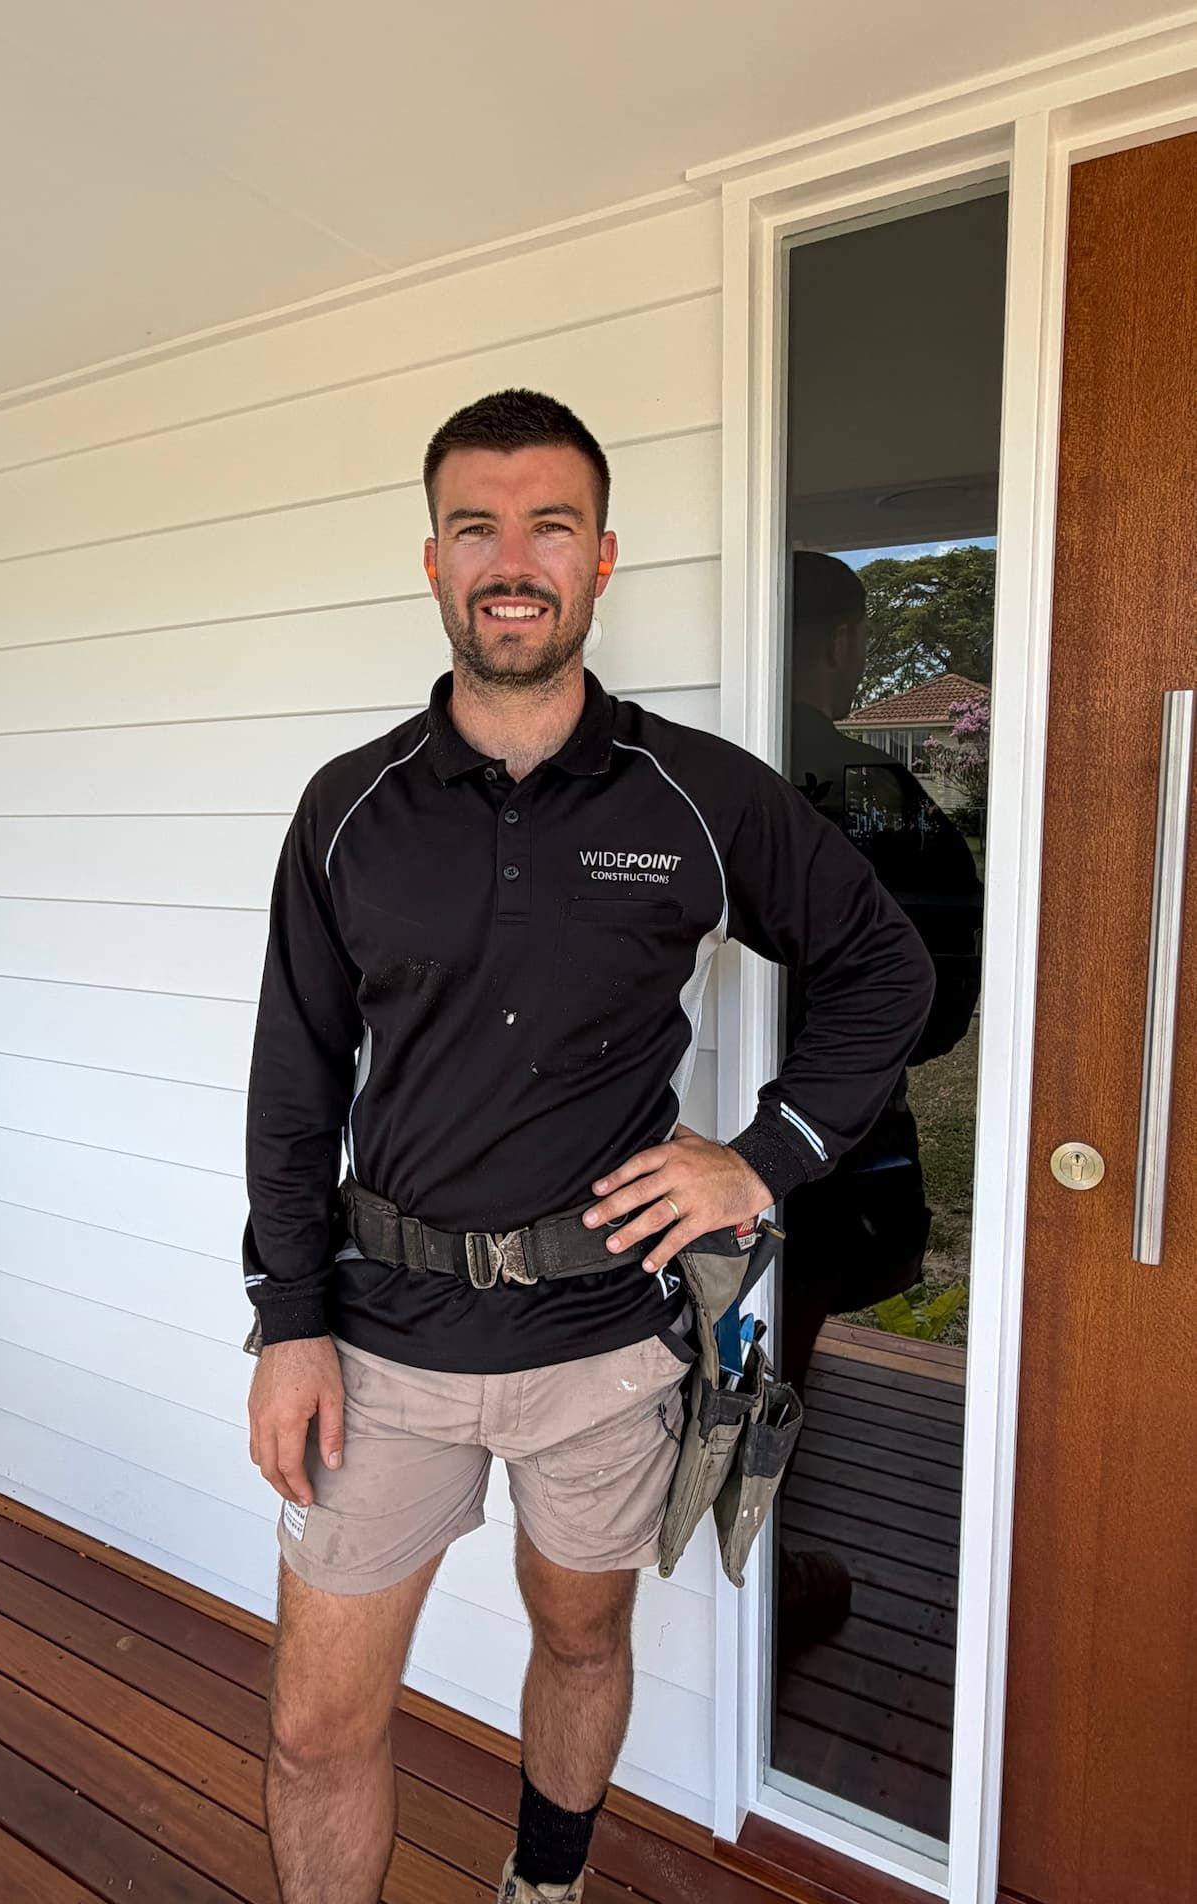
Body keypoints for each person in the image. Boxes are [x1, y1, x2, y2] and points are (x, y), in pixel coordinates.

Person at [242, 391, 935, 1904]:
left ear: (600, 558)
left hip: (606, 1346)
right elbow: (294, 1080)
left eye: (548, 525)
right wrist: (287, 1321)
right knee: (312, 1729)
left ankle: (542, 1885)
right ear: (431, 559)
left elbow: (888, 963)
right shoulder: (347, 812)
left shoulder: (695, 792)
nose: (513, 558)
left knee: (580, 1639)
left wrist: (764, 1158)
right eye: (477, 526)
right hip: (384, 1348)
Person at [775, 550, 984, 1648]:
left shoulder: (712, 780)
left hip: (728, 1120)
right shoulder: (875, 796)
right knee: (781, 1334)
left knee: (768, 1324)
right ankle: (756, 1582)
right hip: (835, 1140)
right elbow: (944, 993)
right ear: (845, 645)